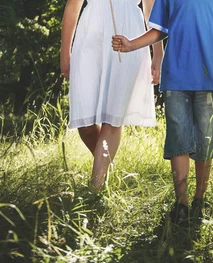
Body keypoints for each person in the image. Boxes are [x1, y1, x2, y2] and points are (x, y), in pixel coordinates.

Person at [111, 0, 213, 225]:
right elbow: (159, 30)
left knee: (205, 139)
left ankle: (200, 200)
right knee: (178, 137)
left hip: (208, 77)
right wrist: (132, 44)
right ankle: (181, 203)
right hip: (175, 77)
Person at [61, 0, 162, 191]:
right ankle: (107, 166)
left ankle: (96, 191)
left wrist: (158, 53)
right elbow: (73, 7)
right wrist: (65, 51)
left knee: (113, 118)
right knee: (85, 124)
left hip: (129, 32)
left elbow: (151, 10)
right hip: (90, 36)